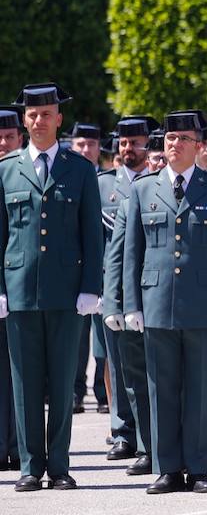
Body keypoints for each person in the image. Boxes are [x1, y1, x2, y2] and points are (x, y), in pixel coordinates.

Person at [123, 110, 207, 493]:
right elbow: (131, 252)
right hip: (156, 301)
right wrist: (130, 304)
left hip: (204, 303)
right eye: (169, 140)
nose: (174, 145)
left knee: (201, 389)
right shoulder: (143, 188)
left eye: (183, 140)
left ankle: (199, 467)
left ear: (198, 146)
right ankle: (168, 467)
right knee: (162, 388)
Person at [2, 82, 103, 491]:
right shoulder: (7, 169)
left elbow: (91, 234)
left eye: (46, 114)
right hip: (20, 291)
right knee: (25, 383)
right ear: (25, 121)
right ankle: (30, 466)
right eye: (32, 115)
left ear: (58, 119)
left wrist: (90, 288)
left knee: (62, 384)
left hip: (65, 293)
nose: (39, 120)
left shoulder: (78, 169)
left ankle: (59, 466)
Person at [101, 117, 165, 479]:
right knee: (136, 379)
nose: (155, 163)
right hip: (132, 303)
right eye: (152, 157)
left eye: (159, 158)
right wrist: (113, 303)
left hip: (168, 300)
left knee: (172, 380)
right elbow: (115, 256)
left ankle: (173, 448)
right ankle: (146, 446)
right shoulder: (133, 197)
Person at [69, 122, 110, 419]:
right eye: (80, 144)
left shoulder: (106, 180)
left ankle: (101, 391)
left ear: (99, 148)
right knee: (76, 336)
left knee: (102, 336)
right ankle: (74, 391)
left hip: (105, 268)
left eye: (91, 145)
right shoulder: (68, 175)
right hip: (73, 269)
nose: (85, 150)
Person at [0, 106, 22, 473]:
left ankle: (18, 447)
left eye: (8, 137)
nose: (2, 144)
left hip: (16, 290)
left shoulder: (19, 175)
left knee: (20, 375)